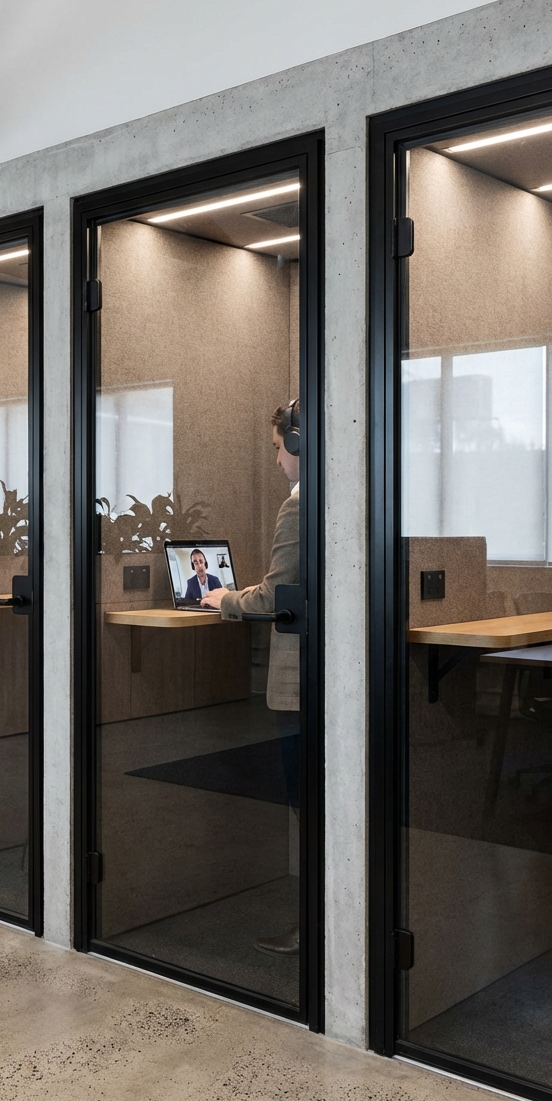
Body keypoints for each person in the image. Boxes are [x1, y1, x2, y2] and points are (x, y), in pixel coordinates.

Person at [202, 399, 301, 956]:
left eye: (278, 448)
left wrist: (225, 600)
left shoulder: (298, 507)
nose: (277, 460)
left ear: (299, 444)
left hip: (301, 681)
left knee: (304, 801)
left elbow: (274, 596)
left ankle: (313, 924)